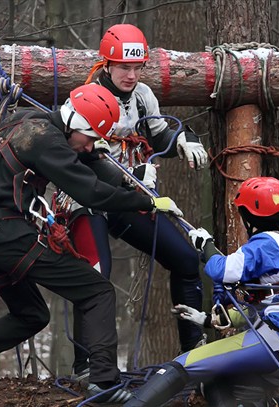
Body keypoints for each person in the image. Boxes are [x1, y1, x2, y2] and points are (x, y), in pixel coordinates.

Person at [0, 83, 184, 404]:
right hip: (10, 237)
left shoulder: (27, 119)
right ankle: (104, 383)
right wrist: (146, 202)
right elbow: (90, 192)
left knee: (32, 315)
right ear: (75, 126)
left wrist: (108, 163)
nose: (90, 145)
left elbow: (83, 159)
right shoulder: (48, 142)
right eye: (91, 137)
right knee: (97, 291)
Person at [66, 23, 209, 379]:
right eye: (123, 67)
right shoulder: (87, 97)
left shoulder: (143, 94)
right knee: (97, 277)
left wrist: (183, 140)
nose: (131, 75)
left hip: (129, 199)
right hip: (89, 198)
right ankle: (89, 368)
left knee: (186, 258)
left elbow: (160, 128)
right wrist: (135, 181)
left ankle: (194, 356)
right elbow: (89, 157)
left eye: (137, 67)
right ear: (107, 65)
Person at [124, 177, 279, 407]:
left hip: (274, 341)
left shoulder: (264, 243)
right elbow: (261, 306)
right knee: (214, 377)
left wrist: (206, 245)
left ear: (248, 215)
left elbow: (222, 270)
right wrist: (207, 319)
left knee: (182, 364)